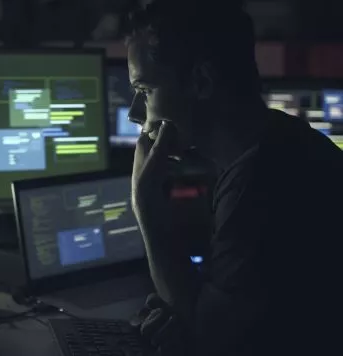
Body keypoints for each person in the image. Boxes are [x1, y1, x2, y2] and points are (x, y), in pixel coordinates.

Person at [126, 1, 343, 355]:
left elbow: (212, 341)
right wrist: (184, 307)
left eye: (145, 91)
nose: (136, 114)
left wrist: (144, 203)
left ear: (202, 81)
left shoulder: (260, 183)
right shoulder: (285, 140)